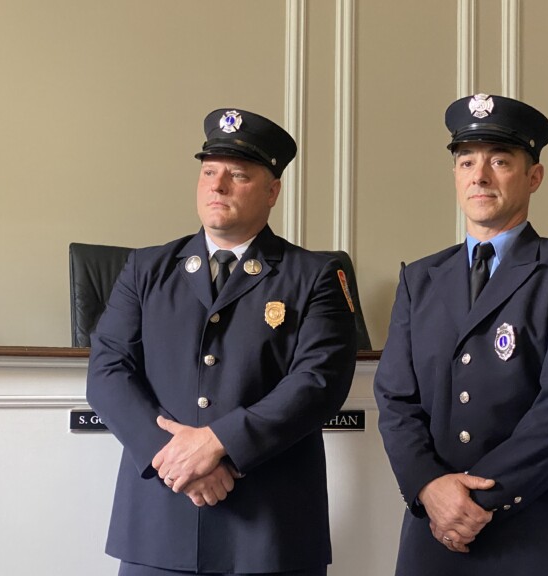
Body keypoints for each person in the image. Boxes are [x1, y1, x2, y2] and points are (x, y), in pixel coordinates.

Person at [86, 107, 358, 576]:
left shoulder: (315, 276)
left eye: (238, 175)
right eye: (209, 172)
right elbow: (108, 371)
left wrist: (219, 444)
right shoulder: (146, 269)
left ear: (273, 191)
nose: (217, 185)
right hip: (160, 522)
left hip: (271, 529)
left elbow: (319, 382)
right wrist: (173, 458)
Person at [374, 93, 548, 575]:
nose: (479, 176)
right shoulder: (420, 278)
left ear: (534, 177)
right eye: (466, 162)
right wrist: (430, 488)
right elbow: (395, 400)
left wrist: (473, 501)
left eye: (500, 161)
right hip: (434, 534)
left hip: (536, 531)